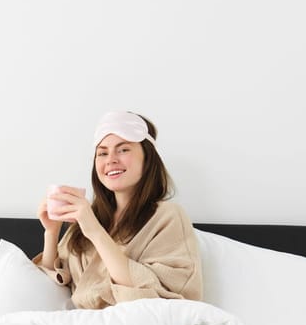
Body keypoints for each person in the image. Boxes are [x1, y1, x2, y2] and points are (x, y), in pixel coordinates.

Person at [33, 111, 203, 309]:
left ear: (147, 158)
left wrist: (95, 231)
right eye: (102, 153)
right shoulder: (89, 218)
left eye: (123, 150)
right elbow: (50, 287)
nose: (110, 159)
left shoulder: (168, 216)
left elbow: (166, 296)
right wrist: (51, 232)